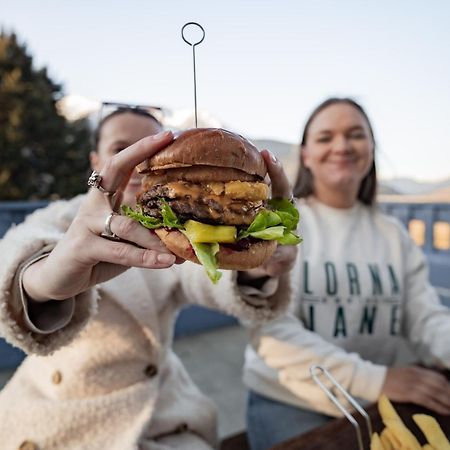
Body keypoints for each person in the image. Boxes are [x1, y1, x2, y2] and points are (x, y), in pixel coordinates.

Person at [0, 105, 297, 450]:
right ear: (96, 161)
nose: (137, 162)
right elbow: (15, 252)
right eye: (120, 149)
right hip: (55, 414)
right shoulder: (62, 218)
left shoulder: (174, 233)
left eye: (151, 147)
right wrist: (41, 280)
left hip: (156, 415)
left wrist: (259, 265)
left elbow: (202, 276)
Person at [243, 98, 450, 450]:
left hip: (375, 397)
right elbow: (272, 333)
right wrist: (378, 379)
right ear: (306, 154)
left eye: (355, 135)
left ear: (371, 148)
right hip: (293, 400)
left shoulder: (394, 234)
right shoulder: (281, 226)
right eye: (325, 138)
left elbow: (426, 316)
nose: (341, 146)